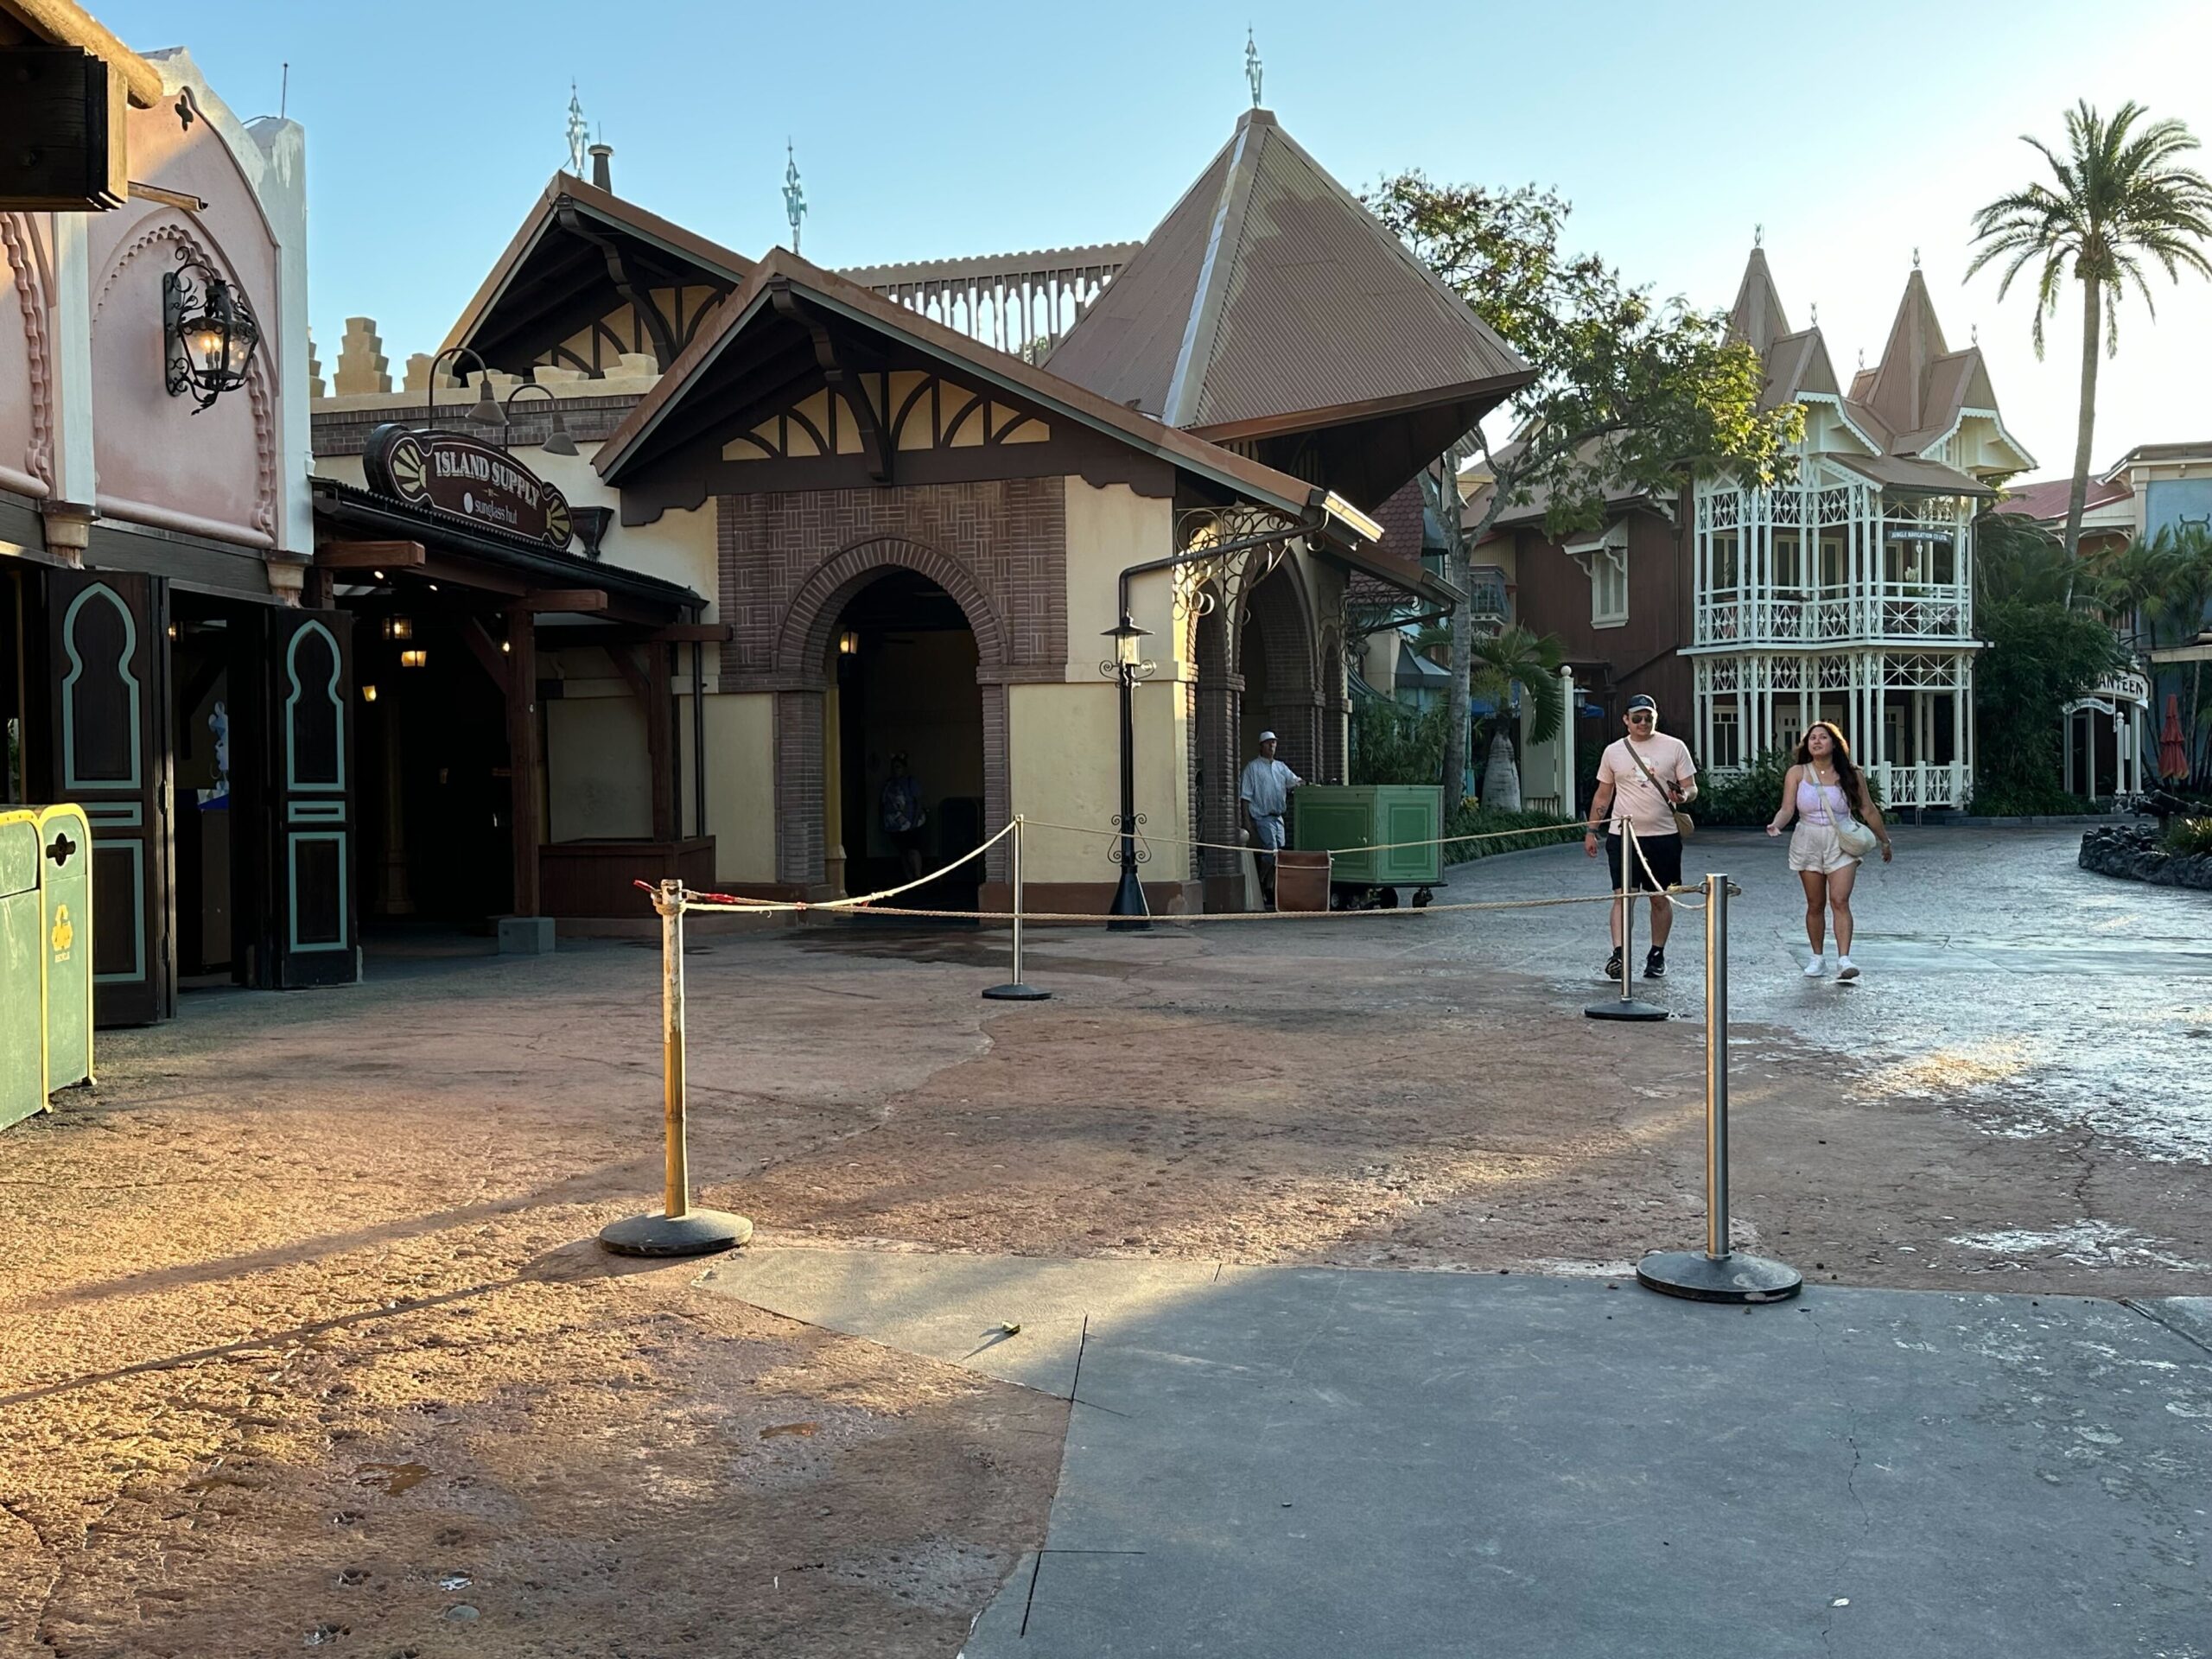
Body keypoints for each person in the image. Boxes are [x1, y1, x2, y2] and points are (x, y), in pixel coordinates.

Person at [1765, 720, 1892, 981]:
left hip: (1842, 840)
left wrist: (1884, 840)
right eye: (1812, 738)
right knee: (1815, 903)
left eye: (1823, 737)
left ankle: (1844, 959)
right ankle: (1817, 958)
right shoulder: (1797, 773)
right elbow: (1787, 808)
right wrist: (1776, 824)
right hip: (1808, 839)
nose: (1817, 742)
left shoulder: (1851, 774)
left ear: (1834, 744)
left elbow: (1867, 809)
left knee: (1839, 900)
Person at [1583, 694, 1697, 980]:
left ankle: (1657, 953)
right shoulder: (1614, 751)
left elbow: (1692, 787)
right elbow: (1604, 793)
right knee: (1623, 896)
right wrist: (1591, 830)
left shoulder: (1675, 747)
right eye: (1637, 718)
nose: (1643, 723)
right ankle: (1620, 954)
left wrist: (1683, 796)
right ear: (1626, 720)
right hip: (1623, 835)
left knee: (1660, 898)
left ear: (1655, 719)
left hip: (1663, 835)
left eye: (1648, 718)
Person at [1239, 731, 1303, 908]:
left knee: (1279, 853)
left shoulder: (1280, 767)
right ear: (1261, 746)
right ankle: (1261, 882)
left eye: (1274, 743)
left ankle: (1269, 885)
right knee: (1271, 850)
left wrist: (1303, 784)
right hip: (1262, 816)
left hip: (1278, 817)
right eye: (1268, 743)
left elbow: (1294, 781)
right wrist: (1247, 821)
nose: (1271, 746)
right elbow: (1245, 797)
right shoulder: (1252, 768)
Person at [879, 753, 927, 880]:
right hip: (894, 825)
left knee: (913, 850)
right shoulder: (888, 784)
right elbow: (883, 803)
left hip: (911, 823)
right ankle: (908, 879)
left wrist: (914, 821)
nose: (895, 770)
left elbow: (919, 802)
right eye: (893, 767)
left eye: (898, 767)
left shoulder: (911, 782)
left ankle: (918, 876)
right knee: (903, 852)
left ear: (904, 768)